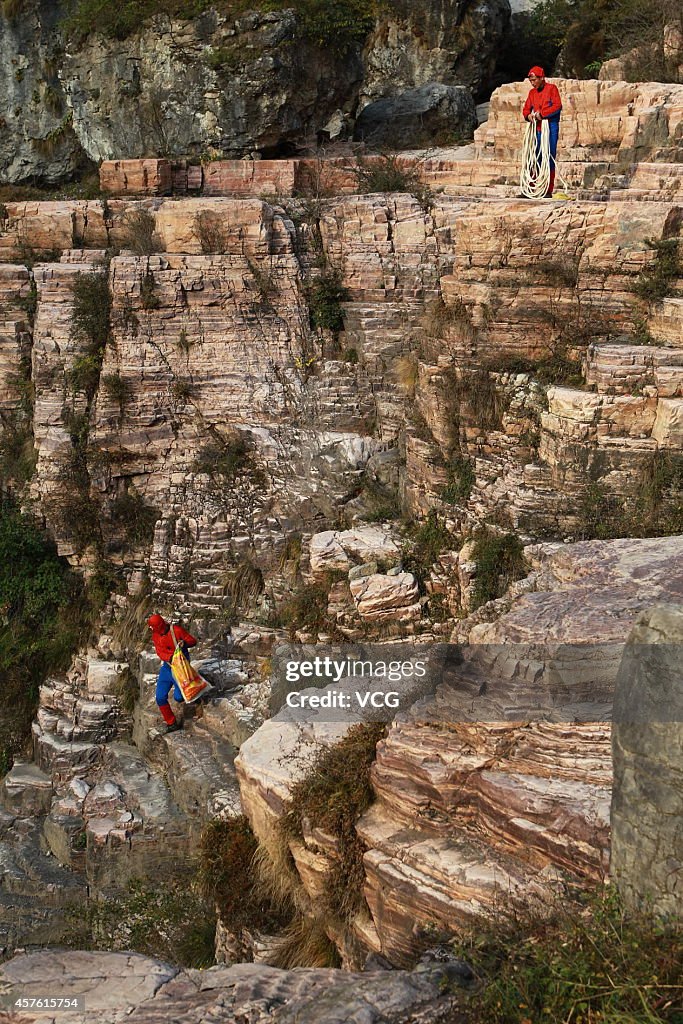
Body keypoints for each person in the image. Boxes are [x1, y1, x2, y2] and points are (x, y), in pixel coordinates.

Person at [147, 613, 197, 733]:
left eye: (152, 627)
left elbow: (193, 641)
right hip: (168, 667)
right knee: (160, 697)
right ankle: (171, 722)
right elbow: (159, 652)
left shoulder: (176, 631)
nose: (151, 630)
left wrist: (185, 643)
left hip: (180, 667)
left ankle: (196, 694)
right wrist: (169, 658)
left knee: (179, 697)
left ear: (158, 626)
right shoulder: (155, 635)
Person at [522, 66, 562, 198]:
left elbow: (557, 106)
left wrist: (543, 114)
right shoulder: (532, 93)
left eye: (534, 80)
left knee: (548, 156)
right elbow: (526, 109)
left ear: (542, 78)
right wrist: (528, 115)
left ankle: (548, 189)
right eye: (531, 81)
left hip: (550, 127)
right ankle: (530, 188)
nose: (533, 83)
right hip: (537, 129)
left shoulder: (552, 89)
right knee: (533, 157)